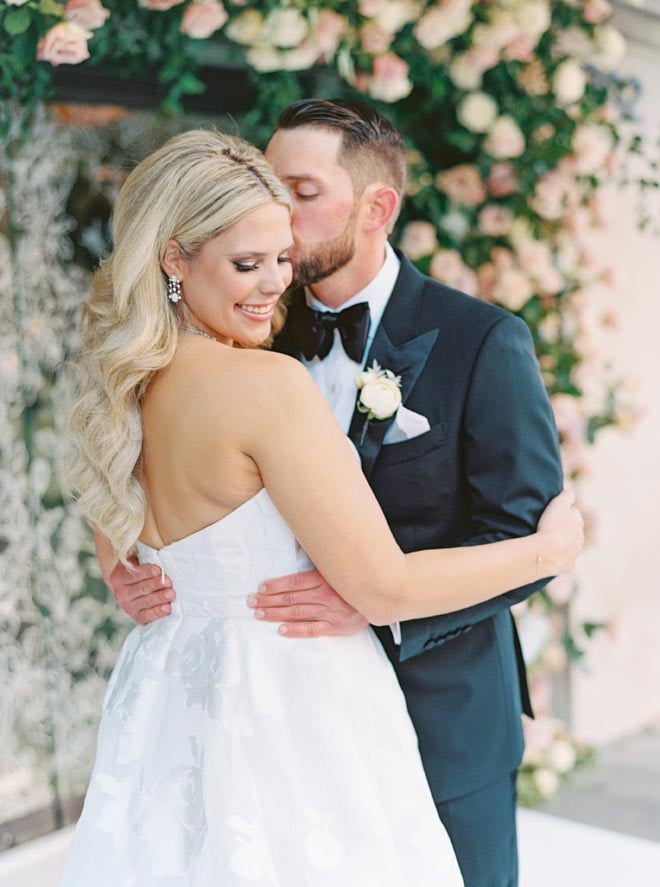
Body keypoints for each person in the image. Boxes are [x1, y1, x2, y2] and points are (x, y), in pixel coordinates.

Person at [81, 126, 581, 886]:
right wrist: (554, 549)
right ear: (175, 257)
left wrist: (130, 571)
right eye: (248, 263)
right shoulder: (266, 378)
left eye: (280, 257)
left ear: (376, 206)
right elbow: (382, 584)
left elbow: (120, 543)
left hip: (185, 706)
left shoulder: (118, 387)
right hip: (301, 715)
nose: (273, 283)